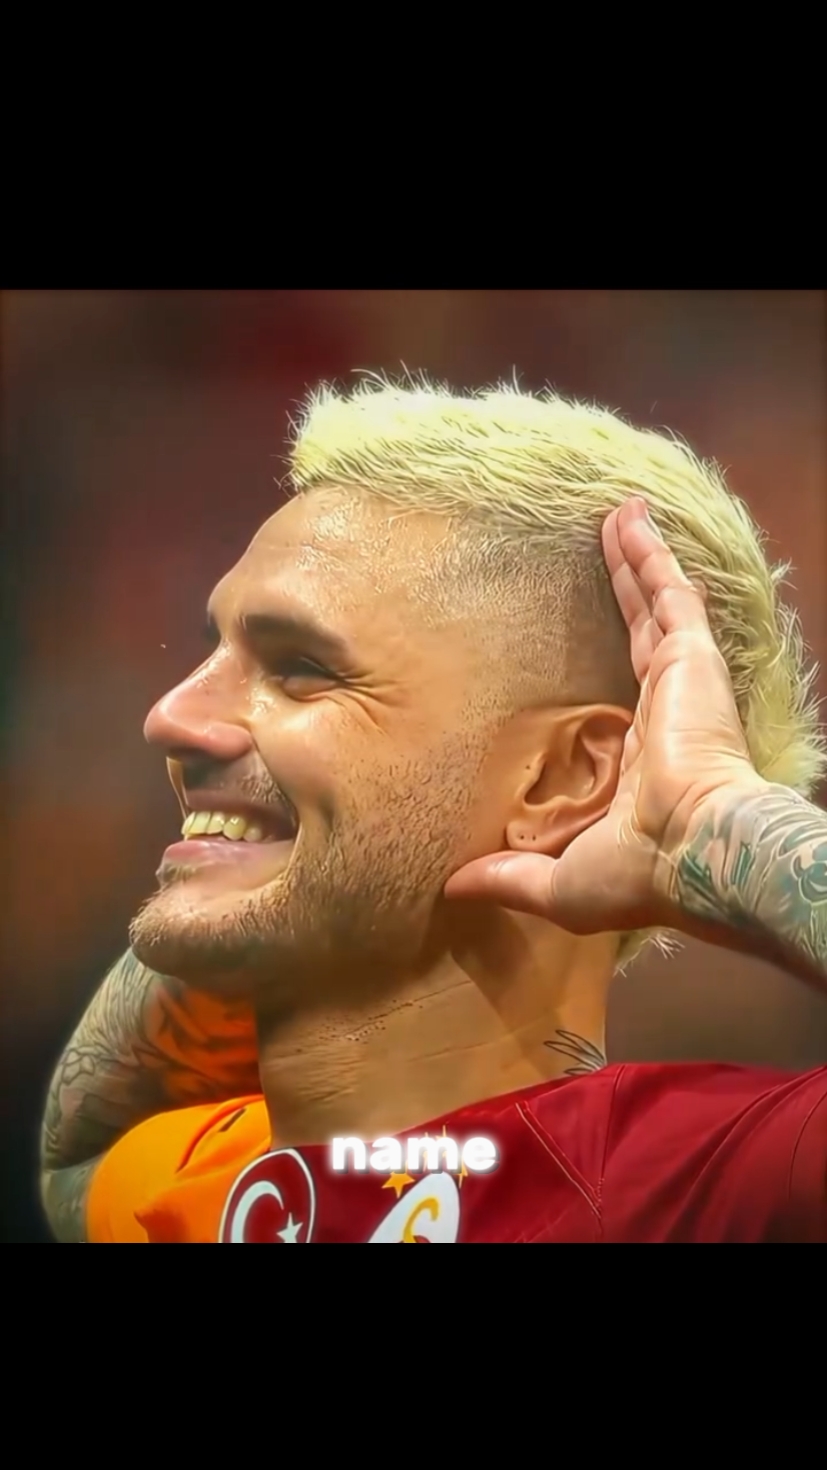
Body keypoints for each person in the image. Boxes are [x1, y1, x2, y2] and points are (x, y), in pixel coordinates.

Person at [40, 378, 827, 1243]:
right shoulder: (194, 1186)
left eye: (299, 668)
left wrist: (712, 821)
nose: (171, 716)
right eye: (214, 654)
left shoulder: (697, 1186)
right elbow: (77, 1149)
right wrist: (252, 873)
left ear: (558, 778)